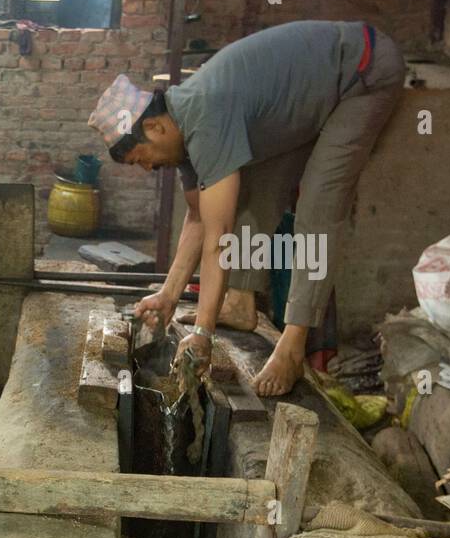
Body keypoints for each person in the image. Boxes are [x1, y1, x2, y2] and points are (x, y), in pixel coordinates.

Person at [88, 20, 405, 396]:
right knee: (248, 192)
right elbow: (199, 217)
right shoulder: (182, 133)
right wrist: (168, 294)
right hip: (311, 95)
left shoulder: (205, 115)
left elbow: (218, 240)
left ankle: (293, 343)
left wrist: (202, 332)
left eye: (142, 158)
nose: (148, 168)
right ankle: (239, 302)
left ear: (155, 127)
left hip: (361, 71)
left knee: (318, 205)